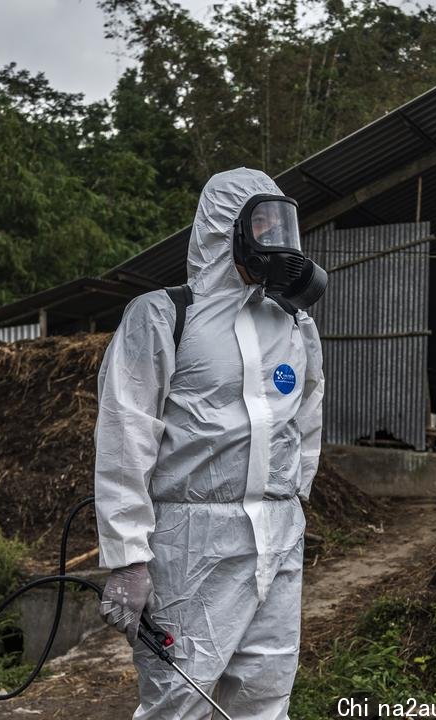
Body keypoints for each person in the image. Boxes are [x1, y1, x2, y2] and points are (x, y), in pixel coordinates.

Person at [93, 167, 326, 719]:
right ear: (227, 228)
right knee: (180, 701)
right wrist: (128, 557)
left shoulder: (293, 323)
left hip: (277, 535)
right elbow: (125, 435)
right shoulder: (162, 316)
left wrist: (295, 499)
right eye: (261, 224)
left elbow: (306, 417)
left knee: (267, 694)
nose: (274, 238)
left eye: (280, 224)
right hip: (190, 542)